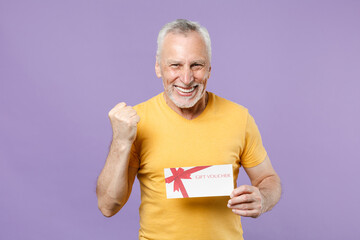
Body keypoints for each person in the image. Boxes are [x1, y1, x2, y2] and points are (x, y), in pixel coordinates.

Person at [96, 19, 281, 240]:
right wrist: (120, 142)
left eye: (196, 65)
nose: (186, 79)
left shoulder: (239, 117)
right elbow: (108, 206)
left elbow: (268, 178)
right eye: (175, 65)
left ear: (209, 68)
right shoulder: (137, 122)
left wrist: (264, 198)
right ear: (158, 67)